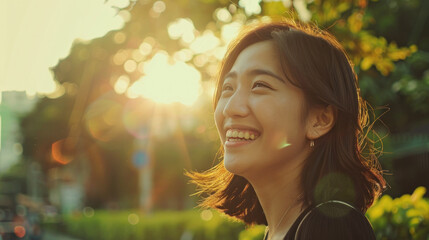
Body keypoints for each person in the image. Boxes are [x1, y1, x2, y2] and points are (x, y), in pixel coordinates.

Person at [188, 20, 386, 240]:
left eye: (260, 85)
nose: (231, 108)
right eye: (228, 88)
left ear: (320, 120)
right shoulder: (279, 231)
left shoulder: (331, 228)